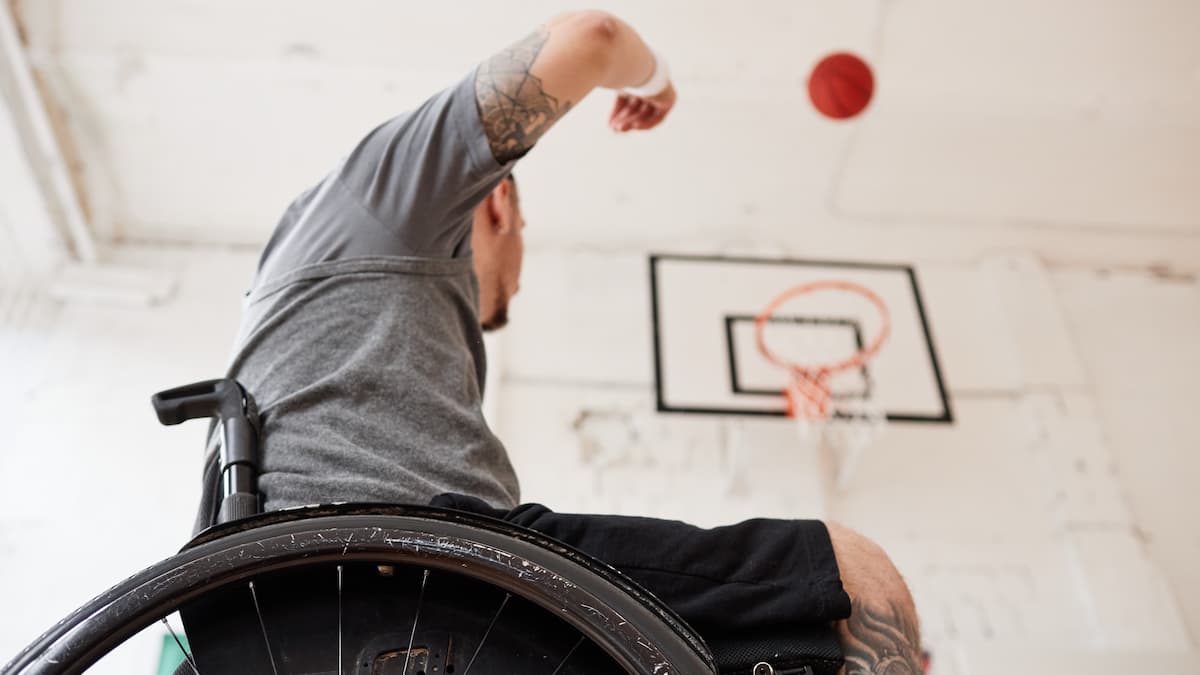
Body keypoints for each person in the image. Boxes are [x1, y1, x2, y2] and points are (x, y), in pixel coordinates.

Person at [199, 10, 922, 673]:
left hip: (280, 619)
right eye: (523, 252)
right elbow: (594, 37)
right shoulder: (378, 200)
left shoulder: (306, 306)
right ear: (500, 199)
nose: (511, 285)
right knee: (854, 582)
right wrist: (655, 82)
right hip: (402, 576)